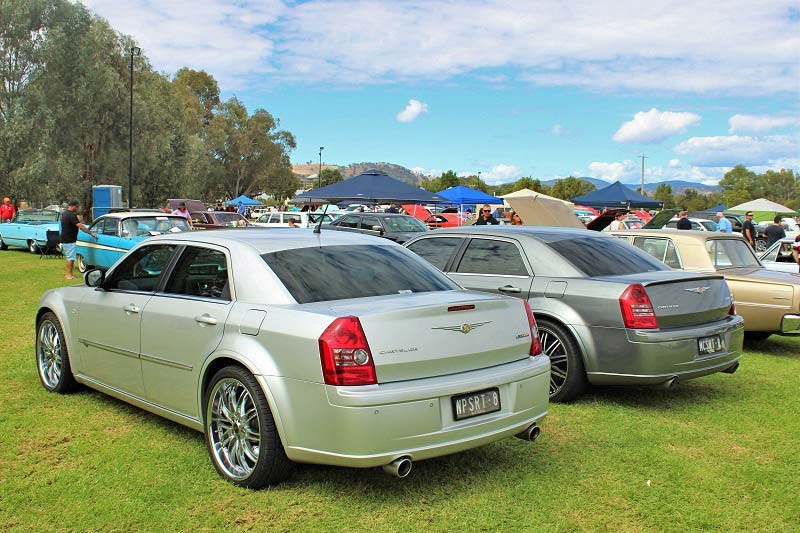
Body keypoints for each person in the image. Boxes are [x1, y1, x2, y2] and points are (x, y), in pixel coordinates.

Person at [61, 200, 96, 280]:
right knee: (70, 257)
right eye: (77, 207)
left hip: (65, 238)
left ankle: (70, 274)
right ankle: (68, 275)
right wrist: (90, 233)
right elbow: (80, 226)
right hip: (69, 239)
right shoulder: (71, 215)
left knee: (71, 257)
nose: (77, 209)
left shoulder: (65, 214)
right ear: (73, 206)